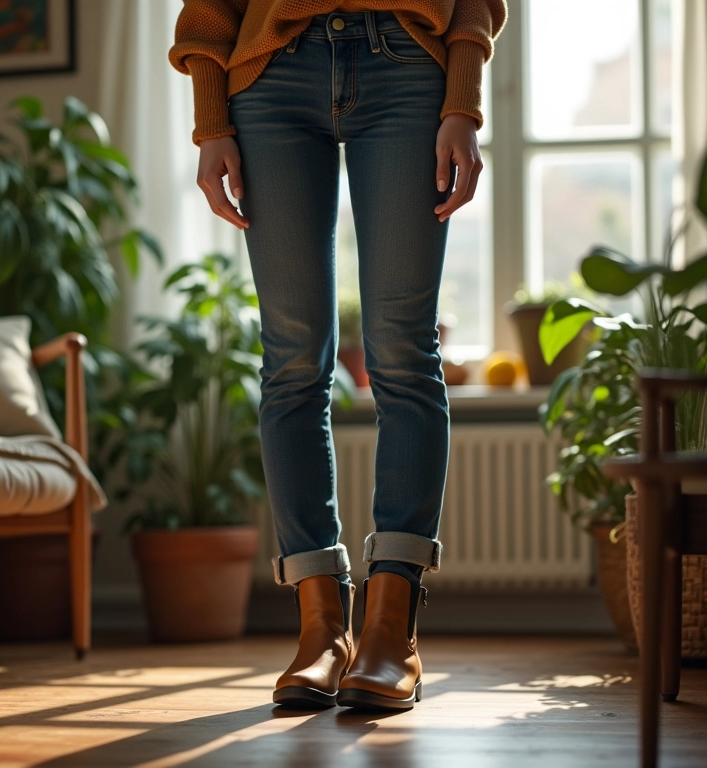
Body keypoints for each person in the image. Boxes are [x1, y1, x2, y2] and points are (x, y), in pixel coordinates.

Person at [169, 0, 508, 711]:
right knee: (292, 362)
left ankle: (391, 629)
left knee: (404, 354)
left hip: (411, 64)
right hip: (270, 75)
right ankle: (321, 630)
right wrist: (211, 120)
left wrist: (464, 100)